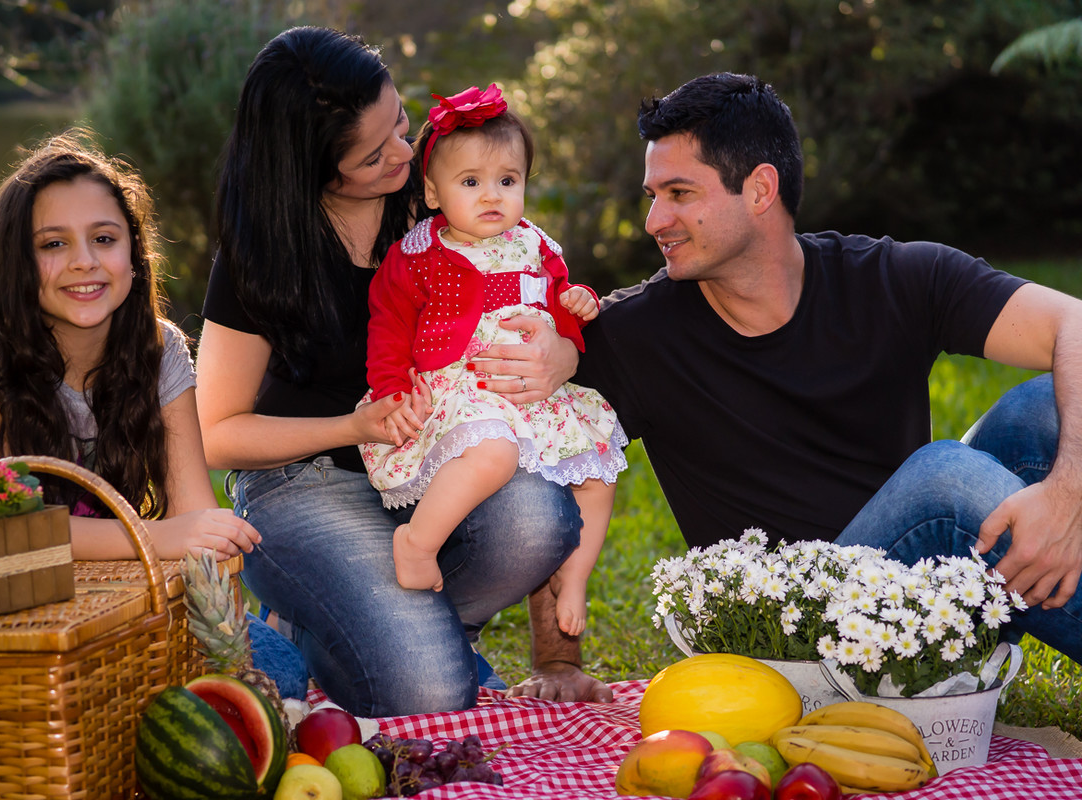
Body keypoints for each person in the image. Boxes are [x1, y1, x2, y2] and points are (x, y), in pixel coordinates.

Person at [572, 71, 1082, 663]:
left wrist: (1067, 494)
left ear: (761, 190)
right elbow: (551, 453)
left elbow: (1074, 324)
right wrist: (559, 659)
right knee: (944, 477)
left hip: (923, 606)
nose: (653, 221)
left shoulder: (893, 278)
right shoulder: (635, 332)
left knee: (1046, 403)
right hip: (794, 633)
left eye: (679, 194)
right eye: (652, 195)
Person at [195, 27, 613, 716]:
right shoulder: (261, 257)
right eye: (372, 153)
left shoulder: (445, 203)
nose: (403, 152)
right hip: (304, 485)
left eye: (400, 124)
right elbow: (217, 432)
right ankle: (328, 622)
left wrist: (560, 352)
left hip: (436, 466)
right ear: (313, 168)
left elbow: (544, 387)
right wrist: (355, 424)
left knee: (540, 515)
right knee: (431, 691)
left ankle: (388, 623)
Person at [0, 127, 263, 599]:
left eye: (104, 238)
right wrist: (153, 536)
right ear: (18, 261)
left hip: (100, 596)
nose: (84, 261)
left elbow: (192, 518)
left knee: (280, 667)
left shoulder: (159, 349)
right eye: (53, 244)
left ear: (133, 251)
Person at [360, 84, 626, 636]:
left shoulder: (535, 243)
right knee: (493, 454)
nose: (492, 196)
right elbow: (388, 324)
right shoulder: (419, 253)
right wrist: (390, 388)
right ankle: (418, 541)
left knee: (599, 470)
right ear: (433, 193)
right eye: (471, 182)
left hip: (532, 393)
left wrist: (575, 308)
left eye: (508, 181)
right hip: (462, 389)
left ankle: (574, 577)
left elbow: (556, 304)